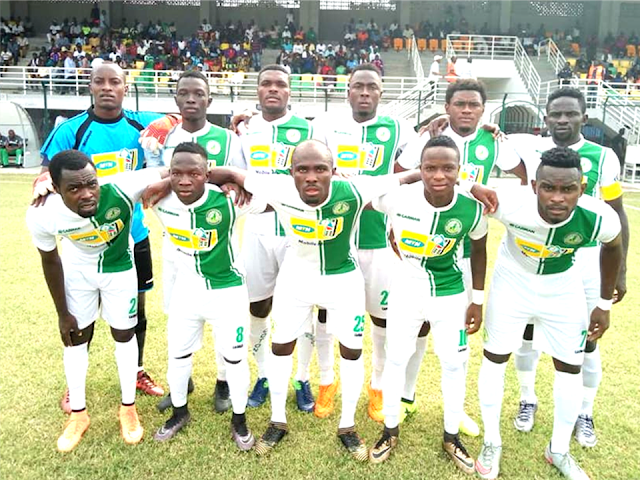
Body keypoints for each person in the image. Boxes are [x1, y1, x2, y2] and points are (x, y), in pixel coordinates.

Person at [201, 140, 420, 460]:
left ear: (334, 171)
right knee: (281, 346)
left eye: (320, 169)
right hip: (295, 280)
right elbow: (225, 172)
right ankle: (277, 421)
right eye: (302, 169)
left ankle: (347, 426)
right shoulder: (278, 188)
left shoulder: (355, 189)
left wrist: (471, 186)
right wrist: (218, 183)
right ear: (291, 173)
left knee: (351, 351)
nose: (312, 176)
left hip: (343, 282)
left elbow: (411, 176)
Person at [475, 147, 622, 480]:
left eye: (567, 189)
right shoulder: (510, 203)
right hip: (511, 285)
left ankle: (558, 449)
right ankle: (491, 442)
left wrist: (603, 304)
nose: (557, 197)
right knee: (494, 360)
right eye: (548, 188)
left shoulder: (599, 216)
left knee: (570, 367)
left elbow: (614, 246)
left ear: (581, 189)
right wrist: (473, 186)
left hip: (562, 289)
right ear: (534, 186)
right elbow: (456, 187)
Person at [395, 79, 527, 436]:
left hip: (466, 252)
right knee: (419, 327)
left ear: (483, 109)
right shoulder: (431, 135)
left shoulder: (493, 140)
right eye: (459, 104)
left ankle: (457, 410)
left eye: (473, 104)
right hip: (425, 249)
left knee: (457, 338)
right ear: (447, 107)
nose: (466, 110)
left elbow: (525, 176)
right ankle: (406, 397)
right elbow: (398, 176)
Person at [35, 62, 166, 413]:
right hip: (85, 240)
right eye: (100, 81)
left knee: (136, 310)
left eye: (115, 81)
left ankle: (137, 371)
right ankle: (75, 384)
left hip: (132, 234)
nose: (107, 87)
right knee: (82, 316)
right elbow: (48, 173)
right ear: (90, 87)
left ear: (125, 87)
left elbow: (181, 119)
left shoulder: (142, 123)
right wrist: (41, 183)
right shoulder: (72, 130)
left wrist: (168, 122)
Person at [507, 88, 629, 448]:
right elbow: (486, 146)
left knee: (587, 340)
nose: (562, 120)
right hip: (538, 257)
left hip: (586, 260)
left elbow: (617, 214)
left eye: (570, 114)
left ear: (584, 118)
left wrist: (620, 271)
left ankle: (584, 412)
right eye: (556, 114)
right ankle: (527, 398)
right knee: (527, 334)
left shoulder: (603, 157)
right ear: (545, 118)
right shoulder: (532, 151)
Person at [26, 150, 164, 452]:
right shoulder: (42, 212)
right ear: (56, 188)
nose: (87, 194)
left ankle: (128, 408)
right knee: (76, 338)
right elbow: (50, 261)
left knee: (124, 335)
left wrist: (162, 183)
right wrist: (62, 313)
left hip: (120, 271)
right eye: (74, 188)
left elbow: (175, 171)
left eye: (91, 184)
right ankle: (78, 414)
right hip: (78, 274)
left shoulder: (122, 187)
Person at [369, 136, 488, 474]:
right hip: (405, 292)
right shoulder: (398, 199)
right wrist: (405, 177)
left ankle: (452, 437)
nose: (438, 175)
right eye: (430, 167)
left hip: (450, 295)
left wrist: (477, 300)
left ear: (459, 170)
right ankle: (389, 431)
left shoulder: (472, 209)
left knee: (453, 363)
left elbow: (479, 251)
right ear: (419, 168)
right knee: (396, 359)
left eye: (448, 168)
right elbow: (365, 195)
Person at [312, 63, 418, 423]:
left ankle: (378, 386)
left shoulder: (399, 128)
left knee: (381, 317)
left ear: (380, 93)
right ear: (348, 91)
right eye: (358, 86)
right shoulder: (326, 125)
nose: (364, 92)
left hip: (378, 237)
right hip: (334, 237)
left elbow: (419, 164)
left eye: (372, 87)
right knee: (326, 313)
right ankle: (326, 380)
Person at [149, 142, 259, 450]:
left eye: (194, 174)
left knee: (235, 358)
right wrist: (162, 181)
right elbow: (118, 183)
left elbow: (268, 193)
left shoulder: (230, 200)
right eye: (177, 173)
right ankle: (179, 413)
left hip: (228, 293)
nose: (185, 181)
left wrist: (232, 177)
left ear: (207, 174)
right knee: (177, 355)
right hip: (186, 292)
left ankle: (239, 420)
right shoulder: (159, 199)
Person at [145, 70, 243, 414]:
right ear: (175, 99)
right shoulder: (160, 135)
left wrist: (226, 182)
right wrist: (165, 181)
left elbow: (235, 181)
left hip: (216, 240)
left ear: (209, 100)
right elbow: (154, 178)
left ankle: (223, 381)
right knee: (177, 312)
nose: (191, 99)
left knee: (221, 318)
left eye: (198, 93)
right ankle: (181, 381)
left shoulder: (228, 139)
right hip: (176, 241)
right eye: (184, 93)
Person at [235, 65, 317, 412]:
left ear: (289, 91)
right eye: (266, 83)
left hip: (297, 232)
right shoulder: (245, 130)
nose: (273, 89)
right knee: (258, 306)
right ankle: (264, 375)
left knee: (303, 307)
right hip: (257, 230)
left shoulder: (309, 129)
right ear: (257, 90)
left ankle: (302, 377)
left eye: (280, 84)